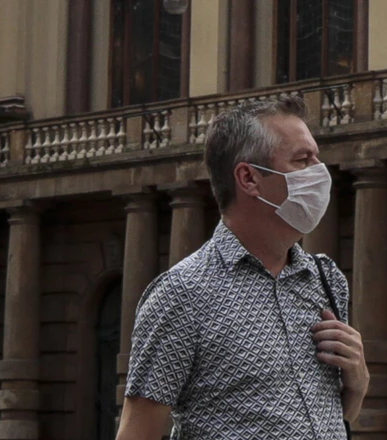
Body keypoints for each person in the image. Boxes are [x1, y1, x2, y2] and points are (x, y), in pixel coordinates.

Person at [116, 96, 368, 439]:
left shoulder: (325, 280)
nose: (319, 173)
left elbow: (332, 420)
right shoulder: (183, 294)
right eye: (302, 160)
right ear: (249, 178)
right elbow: (138, 432)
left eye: (316, 158)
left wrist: (357, 384)